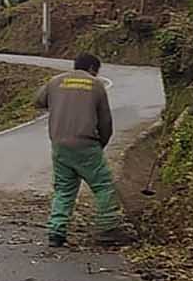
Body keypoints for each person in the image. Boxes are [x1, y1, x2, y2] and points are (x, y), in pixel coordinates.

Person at [34, 52, 133, 248]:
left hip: (60, 144)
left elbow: (38, 101)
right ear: (93, 69)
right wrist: (101, 144)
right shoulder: (96, 85)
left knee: (64, 189)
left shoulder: (55, 82)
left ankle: (56, 231)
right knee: (103, 185)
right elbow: (105, 120)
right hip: (86, 144)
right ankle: (108, 228)